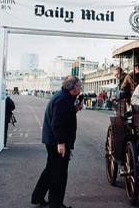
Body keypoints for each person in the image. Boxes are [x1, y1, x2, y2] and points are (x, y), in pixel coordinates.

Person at [31, 75, 82, 208]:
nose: (81, 89)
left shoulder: (63, 97)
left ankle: (38, 196)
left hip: (52, 140)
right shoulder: (64, 99)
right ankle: (56, 203)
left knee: (50, 170)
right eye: (80, 86)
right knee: (59, 173)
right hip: (56, 142)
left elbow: (63, 117)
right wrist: (61, 142)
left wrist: (75, 109)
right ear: (74, 88)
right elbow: (57, 123)